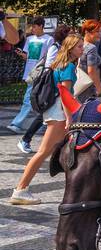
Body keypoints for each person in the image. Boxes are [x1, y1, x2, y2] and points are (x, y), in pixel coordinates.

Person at [10, 32, 84, 203]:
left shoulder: (59, 63)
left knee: (66, 150)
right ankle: (20, 189)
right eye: (79, 46)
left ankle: (77, 187)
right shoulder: (68, 66)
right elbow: (65, 94)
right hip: (59, 112)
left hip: (54, 111)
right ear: (71, 48)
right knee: (43, 152)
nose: (82, 49)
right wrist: (69, 118)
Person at [8, 17, 50, 140]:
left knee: (28, 99)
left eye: (35, 26)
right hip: (30, 73)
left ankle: (17, 123)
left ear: (41, 26)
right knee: (37, 100)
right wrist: (21, 54)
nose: (32, 29)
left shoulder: (49, 40)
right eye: (32, 26)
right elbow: (27, 57)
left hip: (40, 73)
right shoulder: (30, 39)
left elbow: (49, 57)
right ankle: (44, 123)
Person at [76, 20, 101, 98]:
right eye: (97, 32)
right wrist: (100, 89)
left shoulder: (77, 45)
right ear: (86, 32)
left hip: (78, 85)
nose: (100, 34)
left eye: (100, 31)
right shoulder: (91, 48)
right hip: (89, 88)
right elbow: (91, 71)